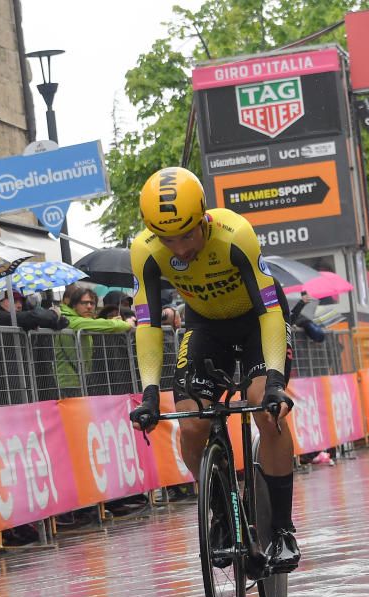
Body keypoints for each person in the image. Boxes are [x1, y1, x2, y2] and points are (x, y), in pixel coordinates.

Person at [128, 167, 299, 573]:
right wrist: (149, 392)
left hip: (259, 321)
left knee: (263, 406)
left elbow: (269, 309)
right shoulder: (145, 250)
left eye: (187, 235)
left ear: (204, 217)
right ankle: (222, 513)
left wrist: (274, 382)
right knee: (190, 422)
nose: (181, 248)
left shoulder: (234, 234)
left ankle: (282, 530)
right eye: (169, 239)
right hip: (206, 327)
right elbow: (148, 323)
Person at [55, 284, 133, 397]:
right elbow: (99, 324)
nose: (89, 307)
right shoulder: (70, 320)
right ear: (74, 305)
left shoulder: (81, 319)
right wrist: (126, 324)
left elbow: (97, 323)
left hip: (82, 381)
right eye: (84, 303)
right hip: (70, 384)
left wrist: (115, 322)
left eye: (92, 303)